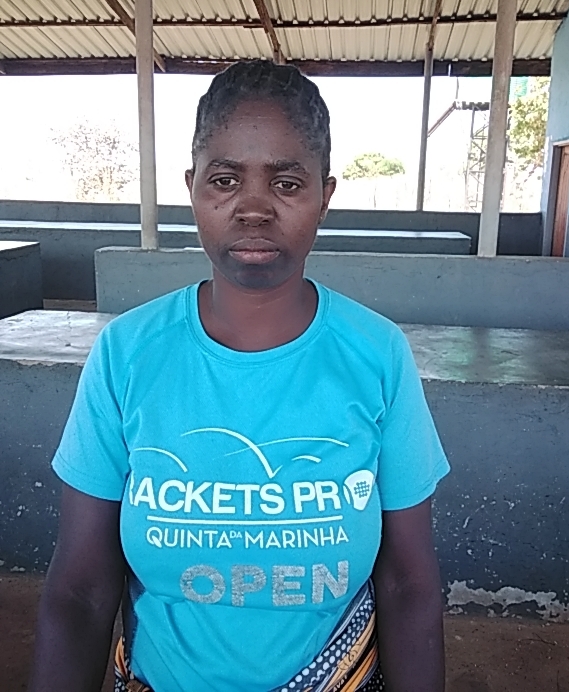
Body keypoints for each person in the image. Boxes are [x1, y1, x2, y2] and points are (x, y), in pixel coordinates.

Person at [29, 60, 450, 692]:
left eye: (287, 183)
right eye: (225, 180)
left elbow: (408, 584)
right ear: (193, 188)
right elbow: (80, 591)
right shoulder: (128, 353)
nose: (253, 209)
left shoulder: (377, 355)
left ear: (325, 196)